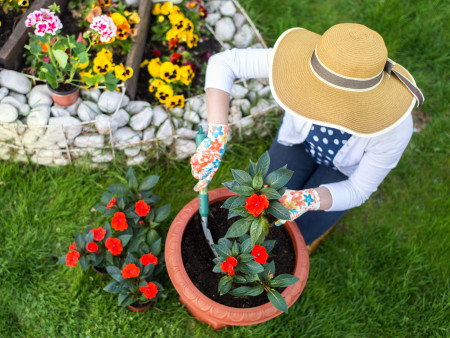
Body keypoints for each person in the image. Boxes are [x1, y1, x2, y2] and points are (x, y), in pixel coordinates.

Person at [190, 23, 424, 253]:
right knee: (260, 200)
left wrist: (310, 199)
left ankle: (315, 233)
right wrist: (217, 134)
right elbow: (224, 63)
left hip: (343, 170)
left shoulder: (394, 129)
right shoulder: (303, 63)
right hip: (298, 142)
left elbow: (357, 189)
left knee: (295, 235)